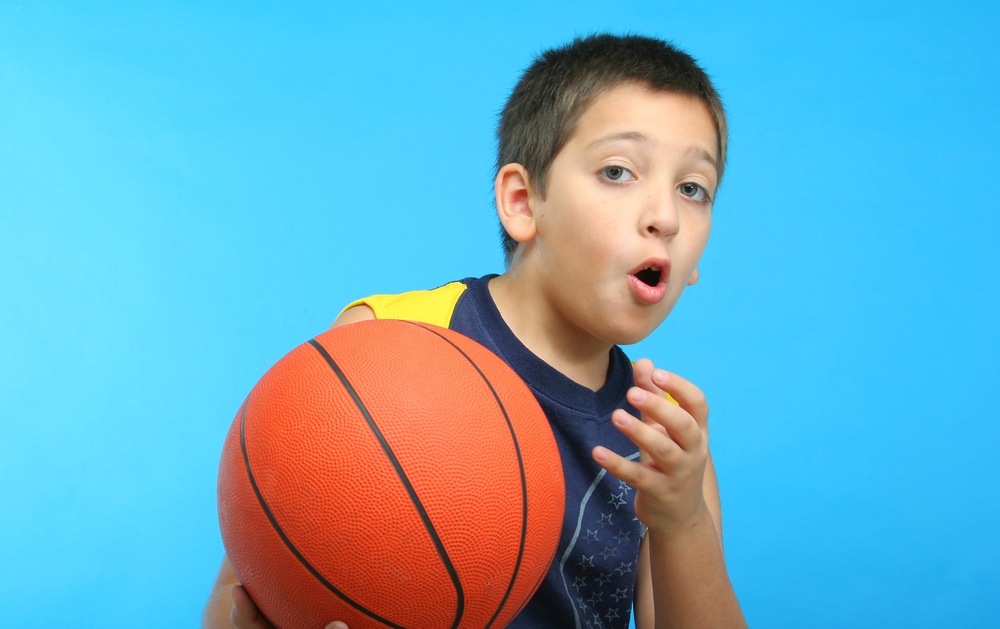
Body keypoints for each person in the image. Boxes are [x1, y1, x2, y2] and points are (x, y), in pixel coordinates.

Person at [204, 33, 746, 629]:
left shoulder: (662, 433)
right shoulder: (388, 341)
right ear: (521, 201)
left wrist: (683, 521)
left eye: (693, 188)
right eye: (618, 171)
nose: (665, 217)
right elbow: (242, 593)